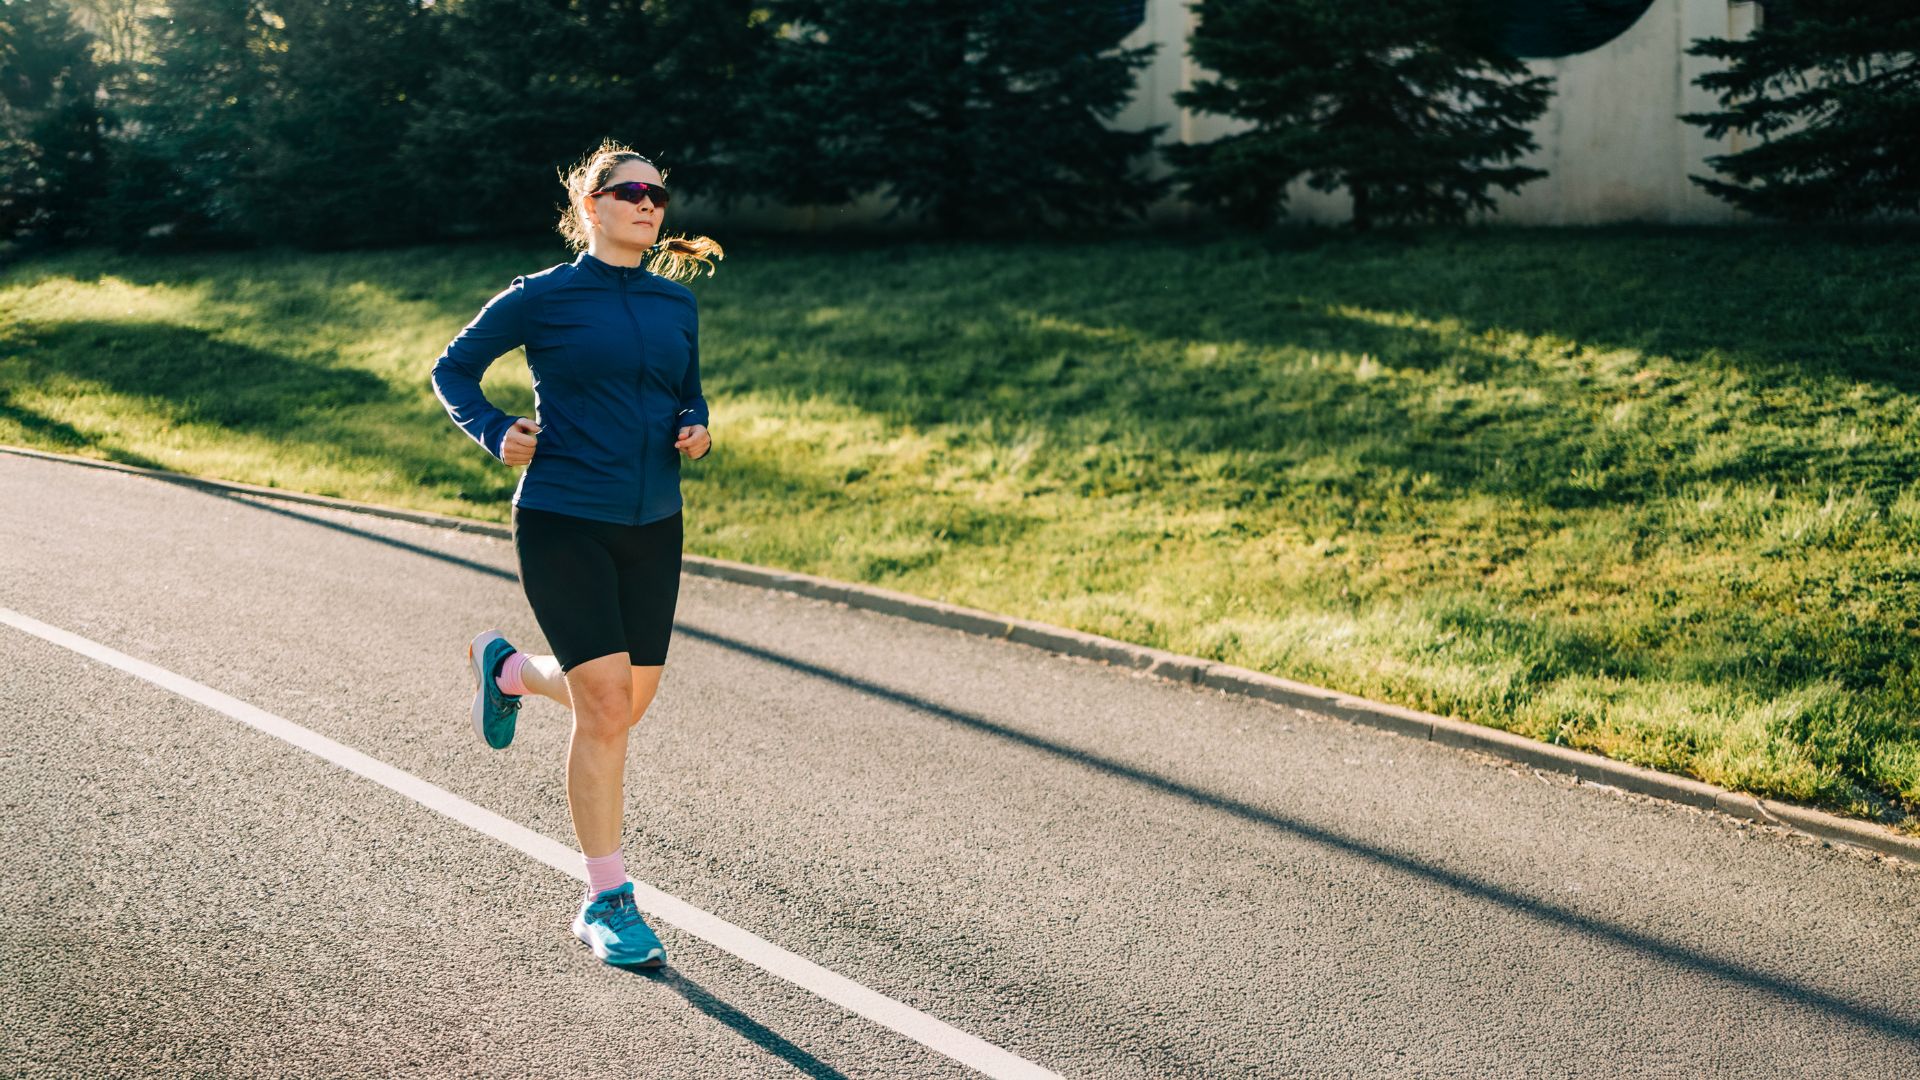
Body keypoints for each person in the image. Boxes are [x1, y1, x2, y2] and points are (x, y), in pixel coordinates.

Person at [430, 140, 722, 969]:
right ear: (589, 206)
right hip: (562, 517)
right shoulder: (542, 298)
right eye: (629, 191)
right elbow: (453, 370)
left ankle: (511, 672)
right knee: (603, 711)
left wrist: (696, 428)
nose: (647, 204)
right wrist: (494, 430)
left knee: (625, 705)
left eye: (658, 196)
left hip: (653, 524)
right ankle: (606, 899)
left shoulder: (676, 307)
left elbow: (685, 390)